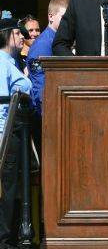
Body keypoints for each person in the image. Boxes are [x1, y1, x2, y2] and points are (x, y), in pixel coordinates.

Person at [0, 14, 32, 249]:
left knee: (12, 188)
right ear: (7, 35)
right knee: (6, 189)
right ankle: (4, 239)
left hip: (13, 134)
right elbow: (2, 106)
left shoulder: (11, 62)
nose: (22, 36)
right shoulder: (1, 63)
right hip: (6, 134)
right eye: (18, 32)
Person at [26, 0, 69, 116]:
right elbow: (40, 85)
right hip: (46, 112)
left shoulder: (59, 40)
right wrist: (48, 117)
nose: (69, 22)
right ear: (51, 16)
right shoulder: (43, 44)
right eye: (64, 18)